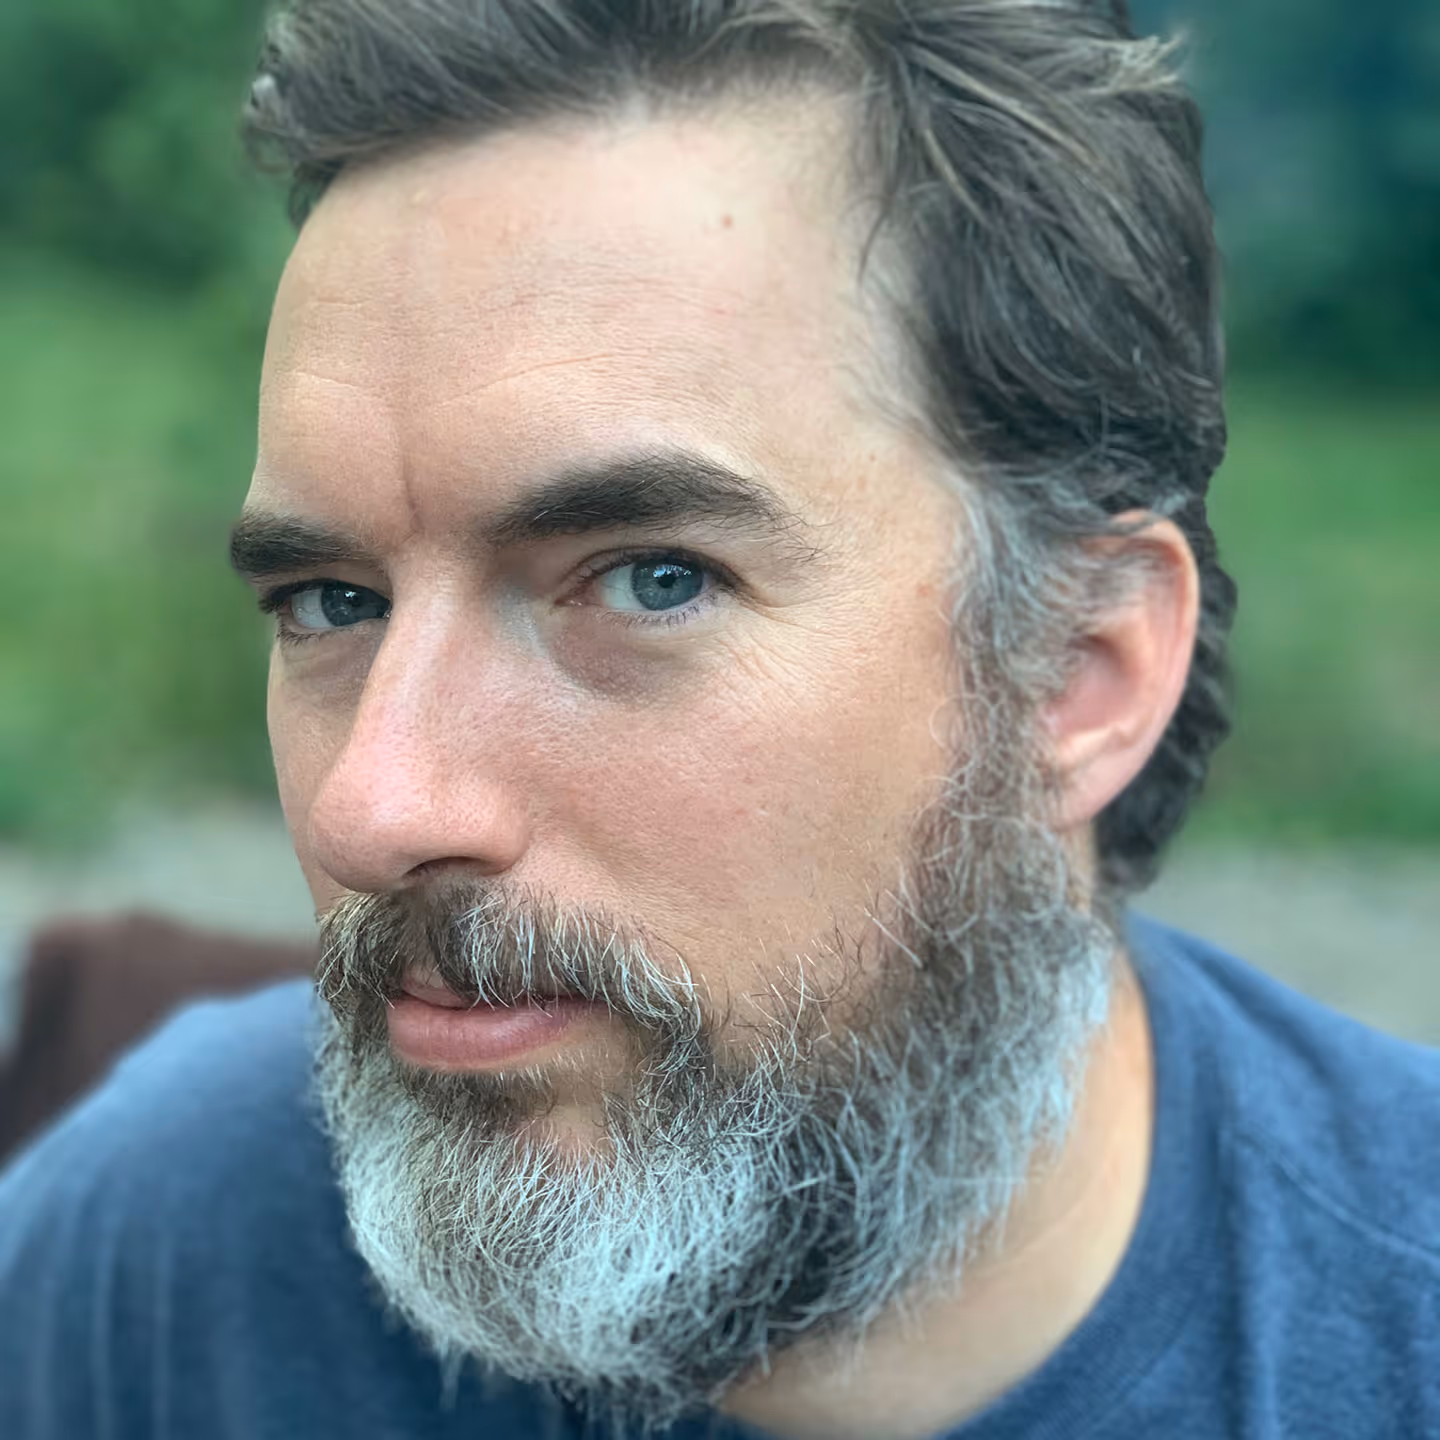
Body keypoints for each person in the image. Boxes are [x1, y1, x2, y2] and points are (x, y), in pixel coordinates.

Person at [2, 1, 1436, 1436]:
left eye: (649, 580)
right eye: (330, 602)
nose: (372, 806)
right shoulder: (162, 1263)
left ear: (1079, 669)